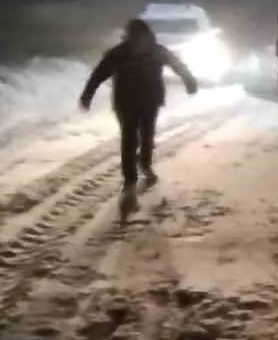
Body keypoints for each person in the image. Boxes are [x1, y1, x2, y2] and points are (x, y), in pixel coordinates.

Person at [80, 18, 198, 216]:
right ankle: (130, 182)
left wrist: (189, 81)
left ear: (147, 37)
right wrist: (87, 96)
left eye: (141, 38)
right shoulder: (118, 54)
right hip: (125, 103)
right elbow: (98, 74)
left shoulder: (157, 51)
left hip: (150, 101)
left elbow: (178, 65)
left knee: (147, 136)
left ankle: (145, 164)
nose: (138, 43)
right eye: (134, 38)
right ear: (129, 38)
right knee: (128, 139)